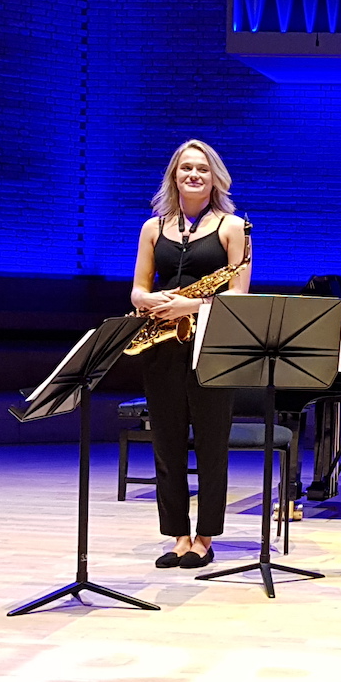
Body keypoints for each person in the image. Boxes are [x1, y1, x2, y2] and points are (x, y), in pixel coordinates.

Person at [131, 140, 250, 570]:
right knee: (166, 442)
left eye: (202, 168)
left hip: (213, 347)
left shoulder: (234, 227)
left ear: (215, 176)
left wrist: (192, 306)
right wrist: (154, 299)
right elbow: (137, 289)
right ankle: (178, 535)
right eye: (186, 168)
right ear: (174, 175)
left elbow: (239, 297)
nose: (194, 175)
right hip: (161, 344)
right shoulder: (152, 227)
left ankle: (205, 537)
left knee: (212, 442)